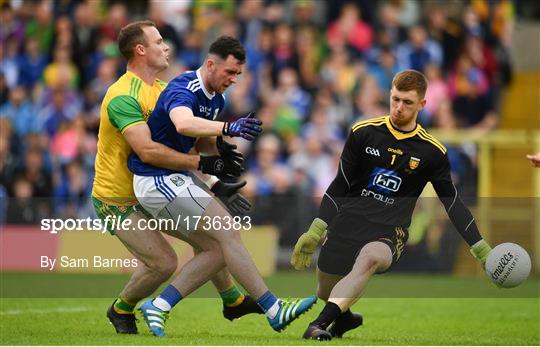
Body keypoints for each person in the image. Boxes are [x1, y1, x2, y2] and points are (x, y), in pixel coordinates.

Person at [128, 35, 316, 337]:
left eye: (238, 74)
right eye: (229, 72)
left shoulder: (216, 99)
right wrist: (228, 128)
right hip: (156, 180)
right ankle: (273, 309)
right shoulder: (184, 88)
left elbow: (192, 144)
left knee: (218, 249)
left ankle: (159, 306)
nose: (233, 79)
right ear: (211, 64)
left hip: (174, 179)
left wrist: (217, 174)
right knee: (228, 232)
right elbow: (183, 124)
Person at [291, 70, 493, 340]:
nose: (399, 108)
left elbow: (452, 202)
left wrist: (480, 249)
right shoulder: (363, 133)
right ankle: (345, 318)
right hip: (346, 223)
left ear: (422, 104)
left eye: (407, 102)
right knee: (324, 291)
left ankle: (318, 324)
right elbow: (340, 184)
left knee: (371, 258)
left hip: (388, 232)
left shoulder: (433, 152)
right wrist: (317, 228)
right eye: (395, 99)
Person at [91, 21, 263, 336]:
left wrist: (213, 183)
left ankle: (233, 300)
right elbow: (148, 152)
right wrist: (206, 164)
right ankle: (121, 308)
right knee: (164, 264)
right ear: (140, 50)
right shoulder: (121, 95)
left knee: (214, 240)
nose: (166, 46)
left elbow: (178, 143)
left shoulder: (162, 90)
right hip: (117, 199)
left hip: (151, 187)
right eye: (158, 42)